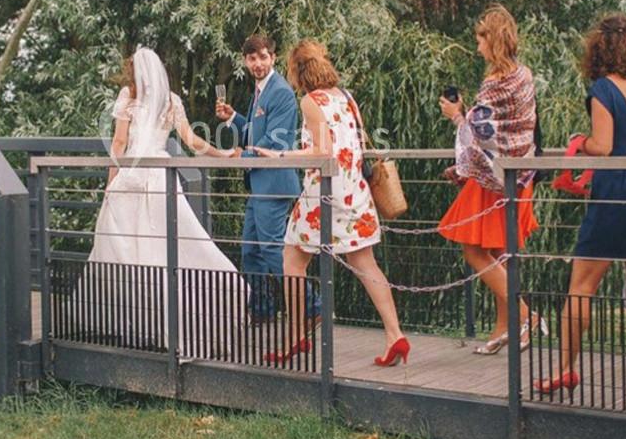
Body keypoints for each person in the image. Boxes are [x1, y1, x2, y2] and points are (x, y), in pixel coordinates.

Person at [535, 15, 626, 398]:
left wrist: (579, 141)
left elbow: (604, 146)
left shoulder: (603, 89)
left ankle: (564, 370)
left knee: (581, 288)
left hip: (614, 192)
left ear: (601, 48)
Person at [250, 40, 408, 366]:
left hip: (323, 193)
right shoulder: (346, 97)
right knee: (366, 263)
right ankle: (396, 335)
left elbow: (321, 153)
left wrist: (280, 153)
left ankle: (295, 337)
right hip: (356, 192)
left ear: (297, 71)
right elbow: (356, 143)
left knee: (292, 260)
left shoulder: (310, 102)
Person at [89, 47, 244, 357]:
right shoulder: (171, 101)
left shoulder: (127, 98)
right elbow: (191, 140)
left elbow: (119, 145)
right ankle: (176, 315)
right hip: (160, 175)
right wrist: (223, 153)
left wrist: (110, 185)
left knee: (128, 249)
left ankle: (131, 322)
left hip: (130, 174)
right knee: (166, 244)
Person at [437, 4, 542, 355]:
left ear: (492, 41)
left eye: (481, 40)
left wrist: (456, 115)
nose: (478, 47)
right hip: (519, 175)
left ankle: (526, 315)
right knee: (501, 251)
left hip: (491, 180)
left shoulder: (494, 84)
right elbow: (514, 130)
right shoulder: (524, 76)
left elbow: (481, 136)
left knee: (474, 249)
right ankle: (505, 329)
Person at [214, 35, 319, 326]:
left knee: (272, 250)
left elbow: (277, 142)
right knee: (251, 250)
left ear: (273, 57)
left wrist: (239, 155)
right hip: (259, 183)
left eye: (263, 57)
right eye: (251, 59)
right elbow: (255, 130)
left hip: (274, 183)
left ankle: (313, 307)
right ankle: (262, 310)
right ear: (245, 61)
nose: (257, 64)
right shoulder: (260, 90)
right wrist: (234, 116)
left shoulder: (282, 92)